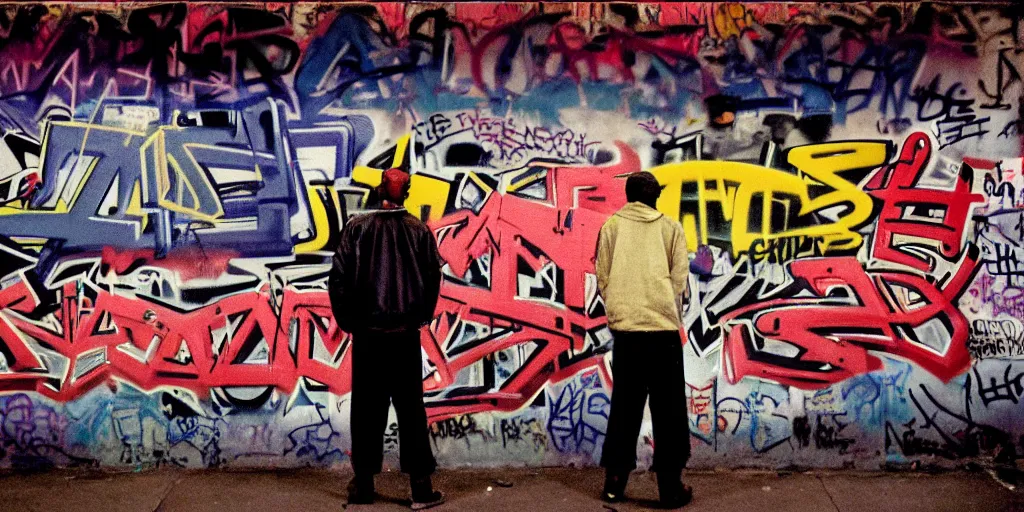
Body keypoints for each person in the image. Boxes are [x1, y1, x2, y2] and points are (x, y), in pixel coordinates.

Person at [329, 168, 445, 510]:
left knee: (367, 412)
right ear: (405, 194)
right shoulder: (419, 231)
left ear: (379, 189)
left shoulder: (357, 228)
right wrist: (421, 315)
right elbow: (433, 278)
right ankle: (420, 489)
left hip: (368, 338)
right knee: (411, 412)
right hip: (405, 338)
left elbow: (337, 279)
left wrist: (350, 322)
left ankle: (364, 486)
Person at [595, 171, 692, 508]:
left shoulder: (611, 227)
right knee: (669, 412)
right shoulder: (671, 228)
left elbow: (602, 277)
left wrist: (621, 309)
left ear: (628, 196)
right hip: (662, 332)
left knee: (624, 408)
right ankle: (669, 487)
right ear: (655, 198)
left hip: (627, 334)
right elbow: (679, 280)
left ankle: (614, 485)